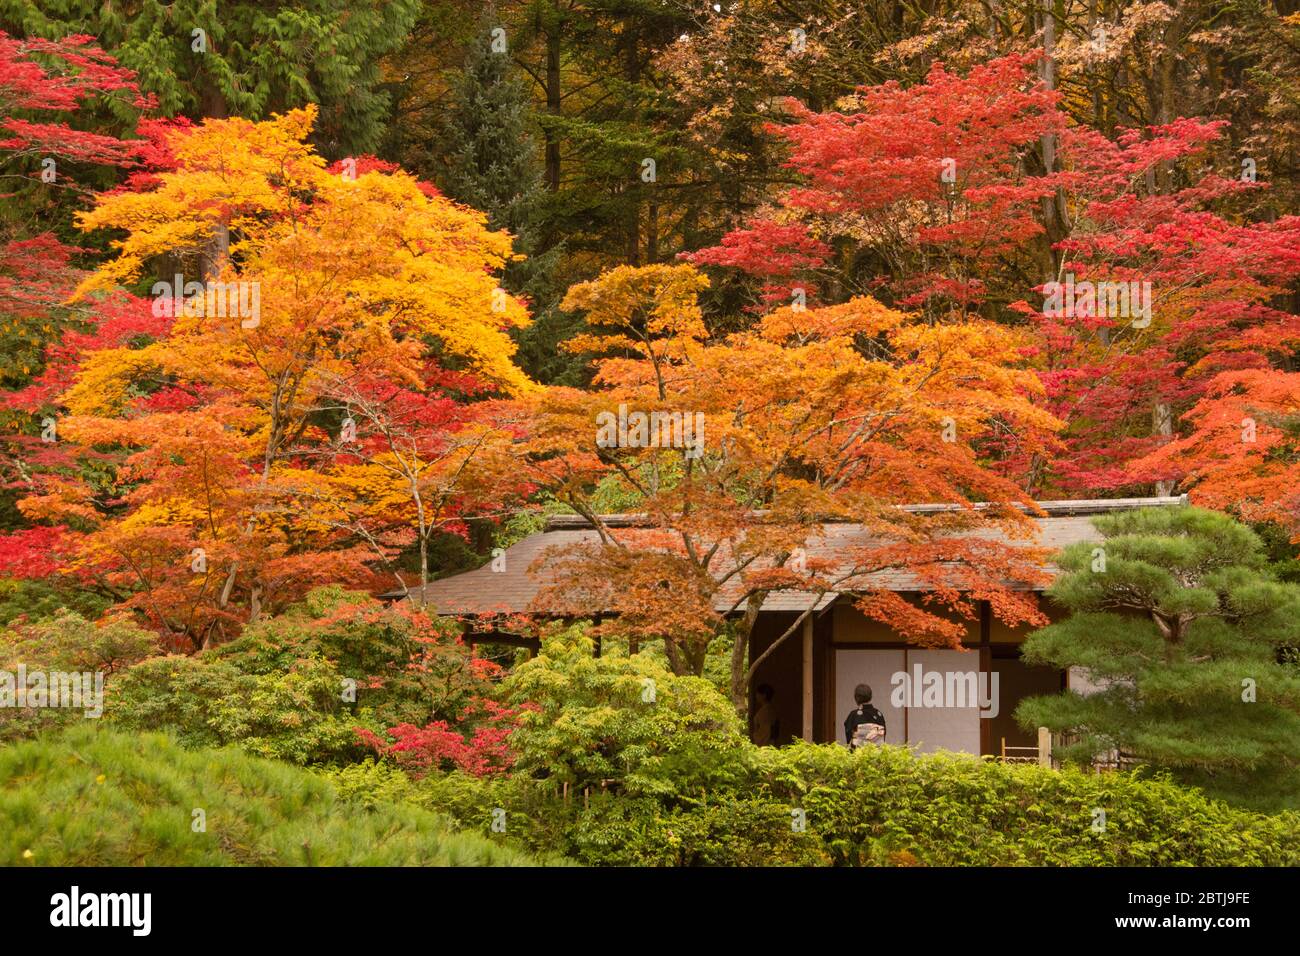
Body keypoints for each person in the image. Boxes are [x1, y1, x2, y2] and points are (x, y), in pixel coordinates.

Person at [844, 683, 886, 749]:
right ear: (870, 696)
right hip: (877, 754)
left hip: (858, 756)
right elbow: (883, 736)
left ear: (856, 697)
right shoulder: (879, 714)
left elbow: (849, 738)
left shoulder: (853, 715)